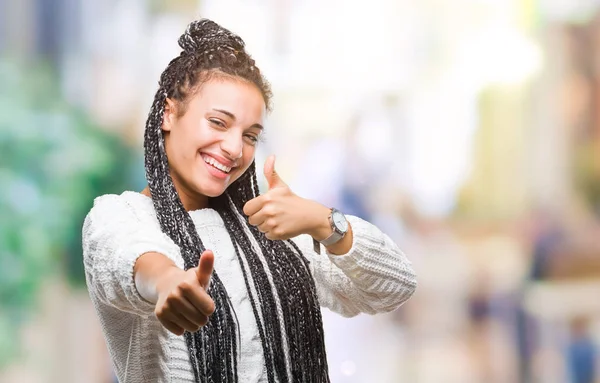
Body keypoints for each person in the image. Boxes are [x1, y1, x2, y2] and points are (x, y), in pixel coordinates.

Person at [82, 19, 417, 383]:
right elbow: (127, 259)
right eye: (218, 122)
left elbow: (395, 285)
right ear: (168, 113)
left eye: (250, 135)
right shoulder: (119, 217)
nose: (233, 148)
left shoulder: (266, 228)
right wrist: (167, 282)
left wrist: (323, 221)